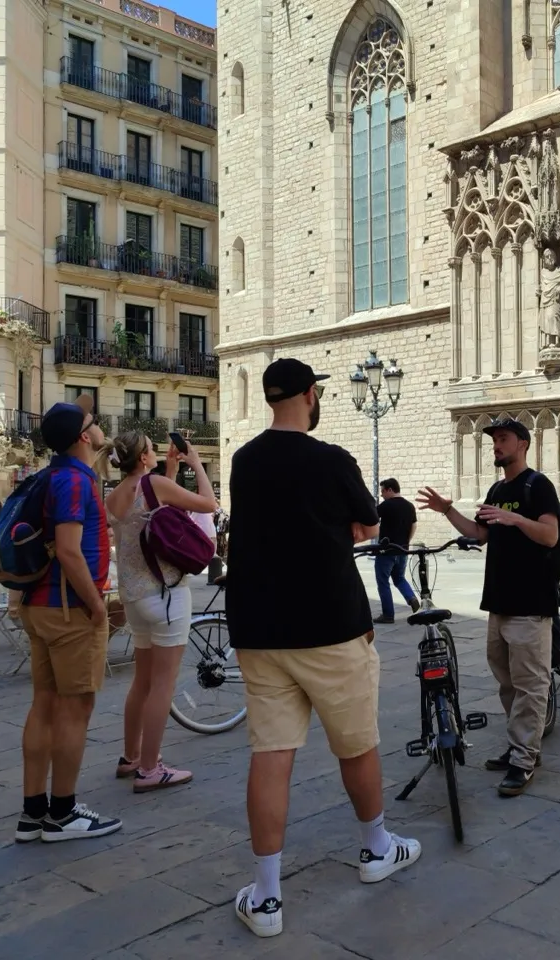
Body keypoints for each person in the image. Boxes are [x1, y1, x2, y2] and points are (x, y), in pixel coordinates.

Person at [226, 358, 421, 940]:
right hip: (331, 624)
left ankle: (265, 896)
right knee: (357, 747)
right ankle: (376, 849)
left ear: (268, 399)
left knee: (272, 755)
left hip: (260, 629)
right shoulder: (332, 459)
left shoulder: (243, 460)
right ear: (311, 395)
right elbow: (367, 524)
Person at [418, 416, 560, 798]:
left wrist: (515, 518)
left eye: (503, 439)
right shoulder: (497, 488)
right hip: (499, 603)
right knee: (508, 683)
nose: (496, 445)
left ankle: (524, 761)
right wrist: (448, 510)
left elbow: (550, 535)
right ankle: (522, 748)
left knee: (531, 686)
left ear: (523, 444)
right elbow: (480, 534)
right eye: (494, 440)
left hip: (530, 604)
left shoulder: (538, 485)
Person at [15, 395, 120, 844]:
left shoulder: (53, 475)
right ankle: (63, 812)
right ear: (83, 436)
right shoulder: (76, 483)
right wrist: (96, 607)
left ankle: (33, 813)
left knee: (44, 705)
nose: (99, 427)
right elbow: (69, 549)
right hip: (68, 607)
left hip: (39, 604)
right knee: (75, 710)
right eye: (94, 423)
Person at [106, 430, 217, 792]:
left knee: (142, 681)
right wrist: (196, 463)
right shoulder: (152, 483)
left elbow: (152, 514)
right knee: (163, 685)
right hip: (165, 594)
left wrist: (169, 471)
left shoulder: (115, 496)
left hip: (134, 596)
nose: (155, 452)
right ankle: (151, 768)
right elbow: (208, 503)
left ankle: (131, 756)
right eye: (151, 449)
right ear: (142, 458)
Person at [373, 477, 420, 624]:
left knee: (383, 582)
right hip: (402, 550)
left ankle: (388, 615)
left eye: (383, 491)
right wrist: (406, 542)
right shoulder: (409, 506)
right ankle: (411, 598)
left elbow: (371, 519)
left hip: (386, 551)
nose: (381, 494)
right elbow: (414, 526)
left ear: (390, 490)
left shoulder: (386, 506)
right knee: (399, 578)